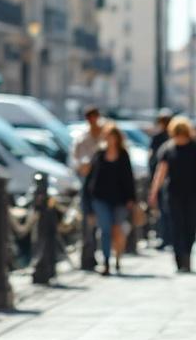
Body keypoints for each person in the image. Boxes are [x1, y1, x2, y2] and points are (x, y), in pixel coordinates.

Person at [148, 116, 196, 272]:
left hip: (194, 193)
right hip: (173, 193)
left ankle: (187, 255)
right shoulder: (167, 148)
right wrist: (154, 191)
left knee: (190, 226)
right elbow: (161, 172)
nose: (179, 138)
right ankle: (179, 260)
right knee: (176, 226)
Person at [87, 122, 136, 275]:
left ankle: (118, 258)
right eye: (108, 136)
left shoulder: (123, 155)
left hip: (120, 199)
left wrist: (131, 198)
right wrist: (88, 201)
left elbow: (129, 177)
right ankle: (106, 261)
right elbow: (91, 178)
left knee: (117, 229)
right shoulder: (99, 155)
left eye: (113, 136)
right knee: (105, 230)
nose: (110, 139)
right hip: (101, 198)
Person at [71, 107, 105, 266]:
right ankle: (88, 256)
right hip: (87, 184)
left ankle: (102, 253)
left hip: (104, 184)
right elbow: (75, 161)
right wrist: (81, 168)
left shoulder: (106, 136)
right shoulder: (82, 138)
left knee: (102, 221)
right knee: (87, 220)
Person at [147, 112, 173, 249]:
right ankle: (166, 237)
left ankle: (166, 237)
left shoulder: (166, 138)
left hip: (165, 178)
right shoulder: (163, 137)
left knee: (165, 210)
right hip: (167, 178)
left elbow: (151, 158)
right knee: (165, 210)